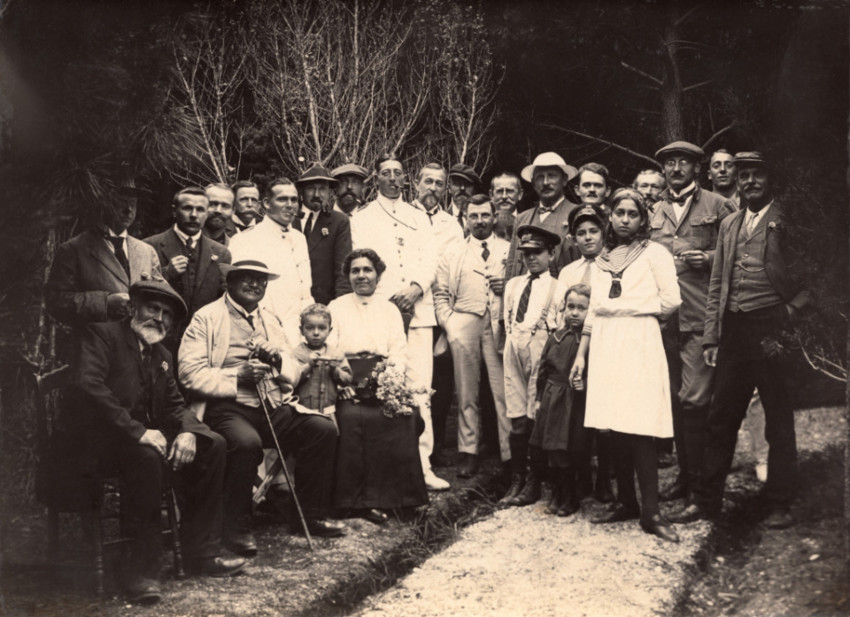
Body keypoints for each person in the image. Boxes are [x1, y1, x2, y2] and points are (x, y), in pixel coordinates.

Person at [73, 278, 245, 603]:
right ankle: (140, 570)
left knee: (214, 443)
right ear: (132, 307)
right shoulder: (102, 335)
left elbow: (175, 405)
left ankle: (202, 551)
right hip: (97, 444)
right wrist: (138, 431)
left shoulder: (161, 354)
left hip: (138, 443)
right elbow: (89, 387)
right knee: (147, 457)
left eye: (167, 314)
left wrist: (189, 432)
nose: (159, 319)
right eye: (153, 308)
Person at [671, 152, 809, 529]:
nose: (749, 182)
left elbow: (815, 272)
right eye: (743, 175)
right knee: (720, 418)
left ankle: (780, 502)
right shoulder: (731, 223)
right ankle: (706, 501)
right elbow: (717, 284)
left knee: (778, 419)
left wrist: (792, 310)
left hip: (773, 327)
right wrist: (712, 338)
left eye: (756, 175)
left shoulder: (788, 219)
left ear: (769, 179)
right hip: (734, 329)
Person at [179, 260, 344, 553]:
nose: (255, 285)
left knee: (321, 429)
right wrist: (236, 376)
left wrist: (277, 360)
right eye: (247, 279)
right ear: (230, 282)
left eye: (261, 280)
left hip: (270, 405)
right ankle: (236, 527)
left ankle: (309, 514)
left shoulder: (270, 320)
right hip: (225, 407)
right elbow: (189, 374)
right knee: (246, 443)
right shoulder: (207, 318)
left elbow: (293, 369)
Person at [570, 188, 682, 543]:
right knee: (613, 426)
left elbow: (672, 301)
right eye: (619, 212)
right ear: (610, 217)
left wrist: (641, 318)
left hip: (638, 339)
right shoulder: (603, 259)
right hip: (605, 341)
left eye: (632, 213)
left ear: (643, 218)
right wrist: (582, 355)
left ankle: (652, 511)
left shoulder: (655, 254)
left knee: (640, 424)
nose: (624, 219)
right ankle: (627, 502)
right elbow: (595, 310)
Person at [350, 154, 448, 490]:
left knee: (420, 389)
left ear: (406, 180)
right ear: (375, 179)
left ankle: (422, 466)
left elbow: (430, 257)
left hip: (419, 314)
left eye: (398, 174)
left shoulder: (418, 217)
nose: (393, 179)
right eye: (386, 173)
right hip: (383, 314)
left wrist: (417, 288)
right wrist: (390, 299)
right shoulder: (361, 218)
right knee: (383, 389)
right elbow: (363, 263)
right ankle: (384, 470)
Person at [651, 141, 736, 507]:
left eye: (683, 162)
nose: (676, 168)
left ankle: (703, 491)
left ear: (697, 168)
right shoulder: (653, 210)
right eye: (669, 163)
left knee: (695, 402)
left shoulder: (718, 206)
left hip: (700, 316)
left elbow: (738, 251)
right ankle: (685, 479)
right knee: (673, 401)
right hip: (662, 320)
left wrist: (709, 256)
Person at [327, 249, 429, 519]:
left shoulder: (390, 309)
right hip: (347, 377)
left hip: (383, 376)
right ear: (348, 275)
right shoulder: (335, 307)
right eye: (355, 271)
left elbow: (398, 350)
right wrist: (341, 381)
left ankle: (401, 499)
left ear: (378, 274)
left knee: (404, 416)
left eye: (367, 270)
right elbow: (330, 349)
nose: (361, 276)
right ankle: (358, 501)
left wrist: (389, 381)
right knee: (351, 417)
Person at [433, 195, 511, 479]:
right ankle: (468, 452)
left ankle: (508, 452)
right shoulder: (452, 253)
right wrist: (450, 323)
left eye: (485, 216)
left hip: (498, 323)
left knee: (502, 390)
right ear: (465, 219)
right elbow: (440, 294)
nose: (480, 221)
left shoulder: (509, 250)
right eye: (473, 216)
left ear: (494, 217)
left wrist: (508, 286)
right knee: (466, 392)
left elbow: (521, 284)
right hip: (464, 320)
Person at [499, 225, 565, 507]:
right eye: (526, 253)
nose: (530, 259)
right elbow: (507, 319)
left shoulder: (557, 287)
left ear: (551, 254)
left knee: (534, 415)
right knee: (515, 415)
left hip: (541, 347)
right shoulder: (514, 285)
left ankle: (535, 483)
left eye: (537, 253)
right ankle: (517, 478)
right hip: (514, 346)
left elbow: (560, 328)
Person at [45, 178, 162, 333]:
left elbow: (162, 300)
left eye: (133, 203)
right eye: (121, 201)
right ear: (103, 203)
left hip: (137, 347)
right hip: (93, 347)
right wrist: (104, 303)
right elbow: (56, 302)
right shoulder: (74, 249)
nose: (128, 209)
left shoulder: (147, 251)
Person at [555, 204, 613, 503]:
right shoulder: (568, 271)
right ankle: (580, 479)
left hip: (605, 347)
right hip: (574, 350)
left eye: (593, 231)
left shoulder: (615, 265)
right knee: (576, 416)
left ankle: (605, 478)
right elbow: (559, 312)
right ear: (573, 238)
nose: (588, 238)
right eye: (581, 233)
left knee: (604, 417)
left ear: (604, 233)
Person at [411, 163, 464, 468]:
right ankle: (411, 444)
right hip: (414, 312)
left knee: (441, 382)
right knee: (413, 380)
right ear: (416, 184)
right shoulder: (403, 218)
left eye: (439, 183)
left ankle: (437, 445)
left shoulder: (451, 225)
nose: (432, 188)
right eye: (427, 181)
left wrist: (448, 320)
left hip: (441, 311)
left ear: (445, 189)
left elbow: (452, 272)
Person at [530, 284, 591, 517]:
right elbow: (543, 370)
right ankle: (556, 495)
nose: (574, 313)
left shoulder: (588, 341)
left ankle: (571, 497)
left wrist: (584, 384)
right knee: (553, 450)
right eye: (570, 307)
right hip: (552, 399)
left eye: (581, 308)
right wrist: (538, 399)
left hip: (574, 401)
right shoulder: (555, 337)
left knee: (569, 450)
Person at [229, 178, 313, 345]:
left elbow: (305, 290)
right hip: (266, 333)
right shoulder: (245, 239)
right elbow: (241, 294)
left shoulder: (299, 238)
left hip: (302, 332)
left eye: (294, 200)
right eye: (282, 199)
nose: (290, 205)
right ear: (266, 203)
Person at [144, 187, 231, 322]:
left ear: (207, 214)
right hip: (162, 332)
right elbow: (141, 294)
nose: (194, 215)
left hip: (202, 334)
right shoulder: (149, 246)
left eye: (200, 209)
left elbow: (223, 300)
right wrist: (166, 274)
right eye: (187, 208)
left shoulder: (221, 253)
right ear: (174, 211)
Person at [505, 152, 579, 282]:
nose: (545, 182)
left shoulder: (576, 214)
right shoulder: (522, 219)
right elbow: (511, 268)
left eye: (552, 176)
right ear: (533, 183)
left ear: (565, 180)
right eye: (540, 177)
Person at [293, 163, 353, 305]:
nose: (317, 195)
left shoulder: (338, 222)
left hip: (323, 304)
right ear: (301, 191)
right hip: (288, 302)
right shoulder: (288, 218)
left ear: (329, 192)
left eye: (322, 189)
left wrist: (340, 306)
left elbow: (342, 270)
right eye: (311, 188)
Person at [291, 303, 353, 424]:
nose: (316, 333)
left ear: (330, 330)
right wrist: (309, 365)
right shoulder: (297, 353)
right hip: (303, 410)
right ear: (301, 330)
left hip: (329, 410)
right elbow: (291, 378)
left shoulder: (335, 353)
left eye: (322, 328)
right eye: (309, 328)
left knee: (330, 436)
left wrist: (335, 370)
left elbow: (347, 379)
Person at [490, 171, 523, 241]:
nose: (504, 196)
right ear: (491, 195)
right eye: (499, 191)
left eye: (509, 191)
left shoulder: (527, 222)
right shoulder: (485, 223)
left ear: (520, 194)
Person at [448, 163, 481, 230]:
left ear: (474, 189)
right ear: (449, 188)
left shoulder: (482, 220)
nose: (462, 188)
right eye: (457, 183)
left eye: (467, 184)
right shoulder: (439, 220)